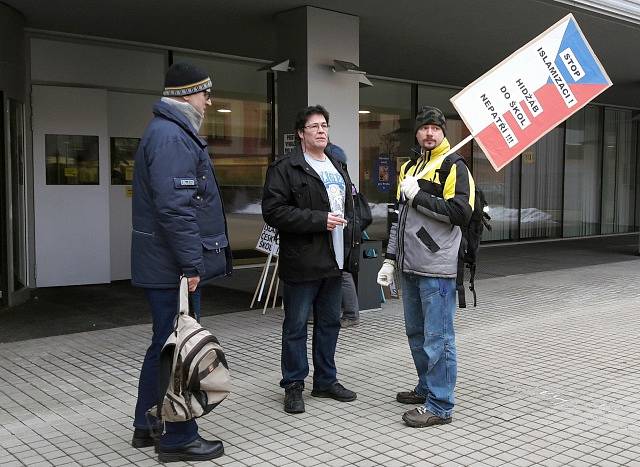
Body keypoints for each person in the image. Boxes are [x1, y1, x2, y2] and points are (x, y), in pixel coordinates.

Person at [130, 62, 232, 462]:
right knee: (178, 349)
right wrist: (191, 266)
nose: (209, 100)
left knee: (164, 343)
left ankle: (147, 423)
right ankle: (178, 437)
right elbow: (176, 209)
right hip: (173, 266)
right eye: (204, 92)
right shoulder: (173, 137)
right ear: (185, 95)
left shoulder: (169, 132)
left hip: (164, 262)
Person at [377, 106, 474, 428]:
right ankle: (426, 387)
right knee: (417, 334)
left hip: (437, 269)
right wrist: (390, 259)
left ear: (444, 132)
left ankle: (441, 405)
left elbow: (461, 213)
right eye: (424, 128)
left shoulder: (453, 167)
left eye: (435, 128)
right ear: (417, 133)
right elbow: (398, 220)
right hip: (410, 267)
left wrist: (418, 196)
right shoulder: (408, 167)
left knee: (439, 338)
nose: (429, 133)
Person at [262, 105, 358, 414]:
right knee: (296, 326)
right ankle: (293, 385)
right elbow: (273, 211)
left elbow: (350, 205)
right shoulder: (286, 167)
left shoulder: (337, 163)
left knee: (330, 323)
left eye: (325, 125)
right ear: (301, 133)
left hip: (335, 259)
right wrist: (319, 220)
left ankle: (325, 381)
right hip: (302, 261)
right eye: (314, 126)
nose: (321, 130)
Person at [325, 143, 360, 328]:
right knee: (341, 271)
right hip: (347, 231)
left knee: (343, 272)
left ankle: (351, 314)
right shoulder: (346, 178)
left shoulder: (337, 179)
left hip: (343, 232)